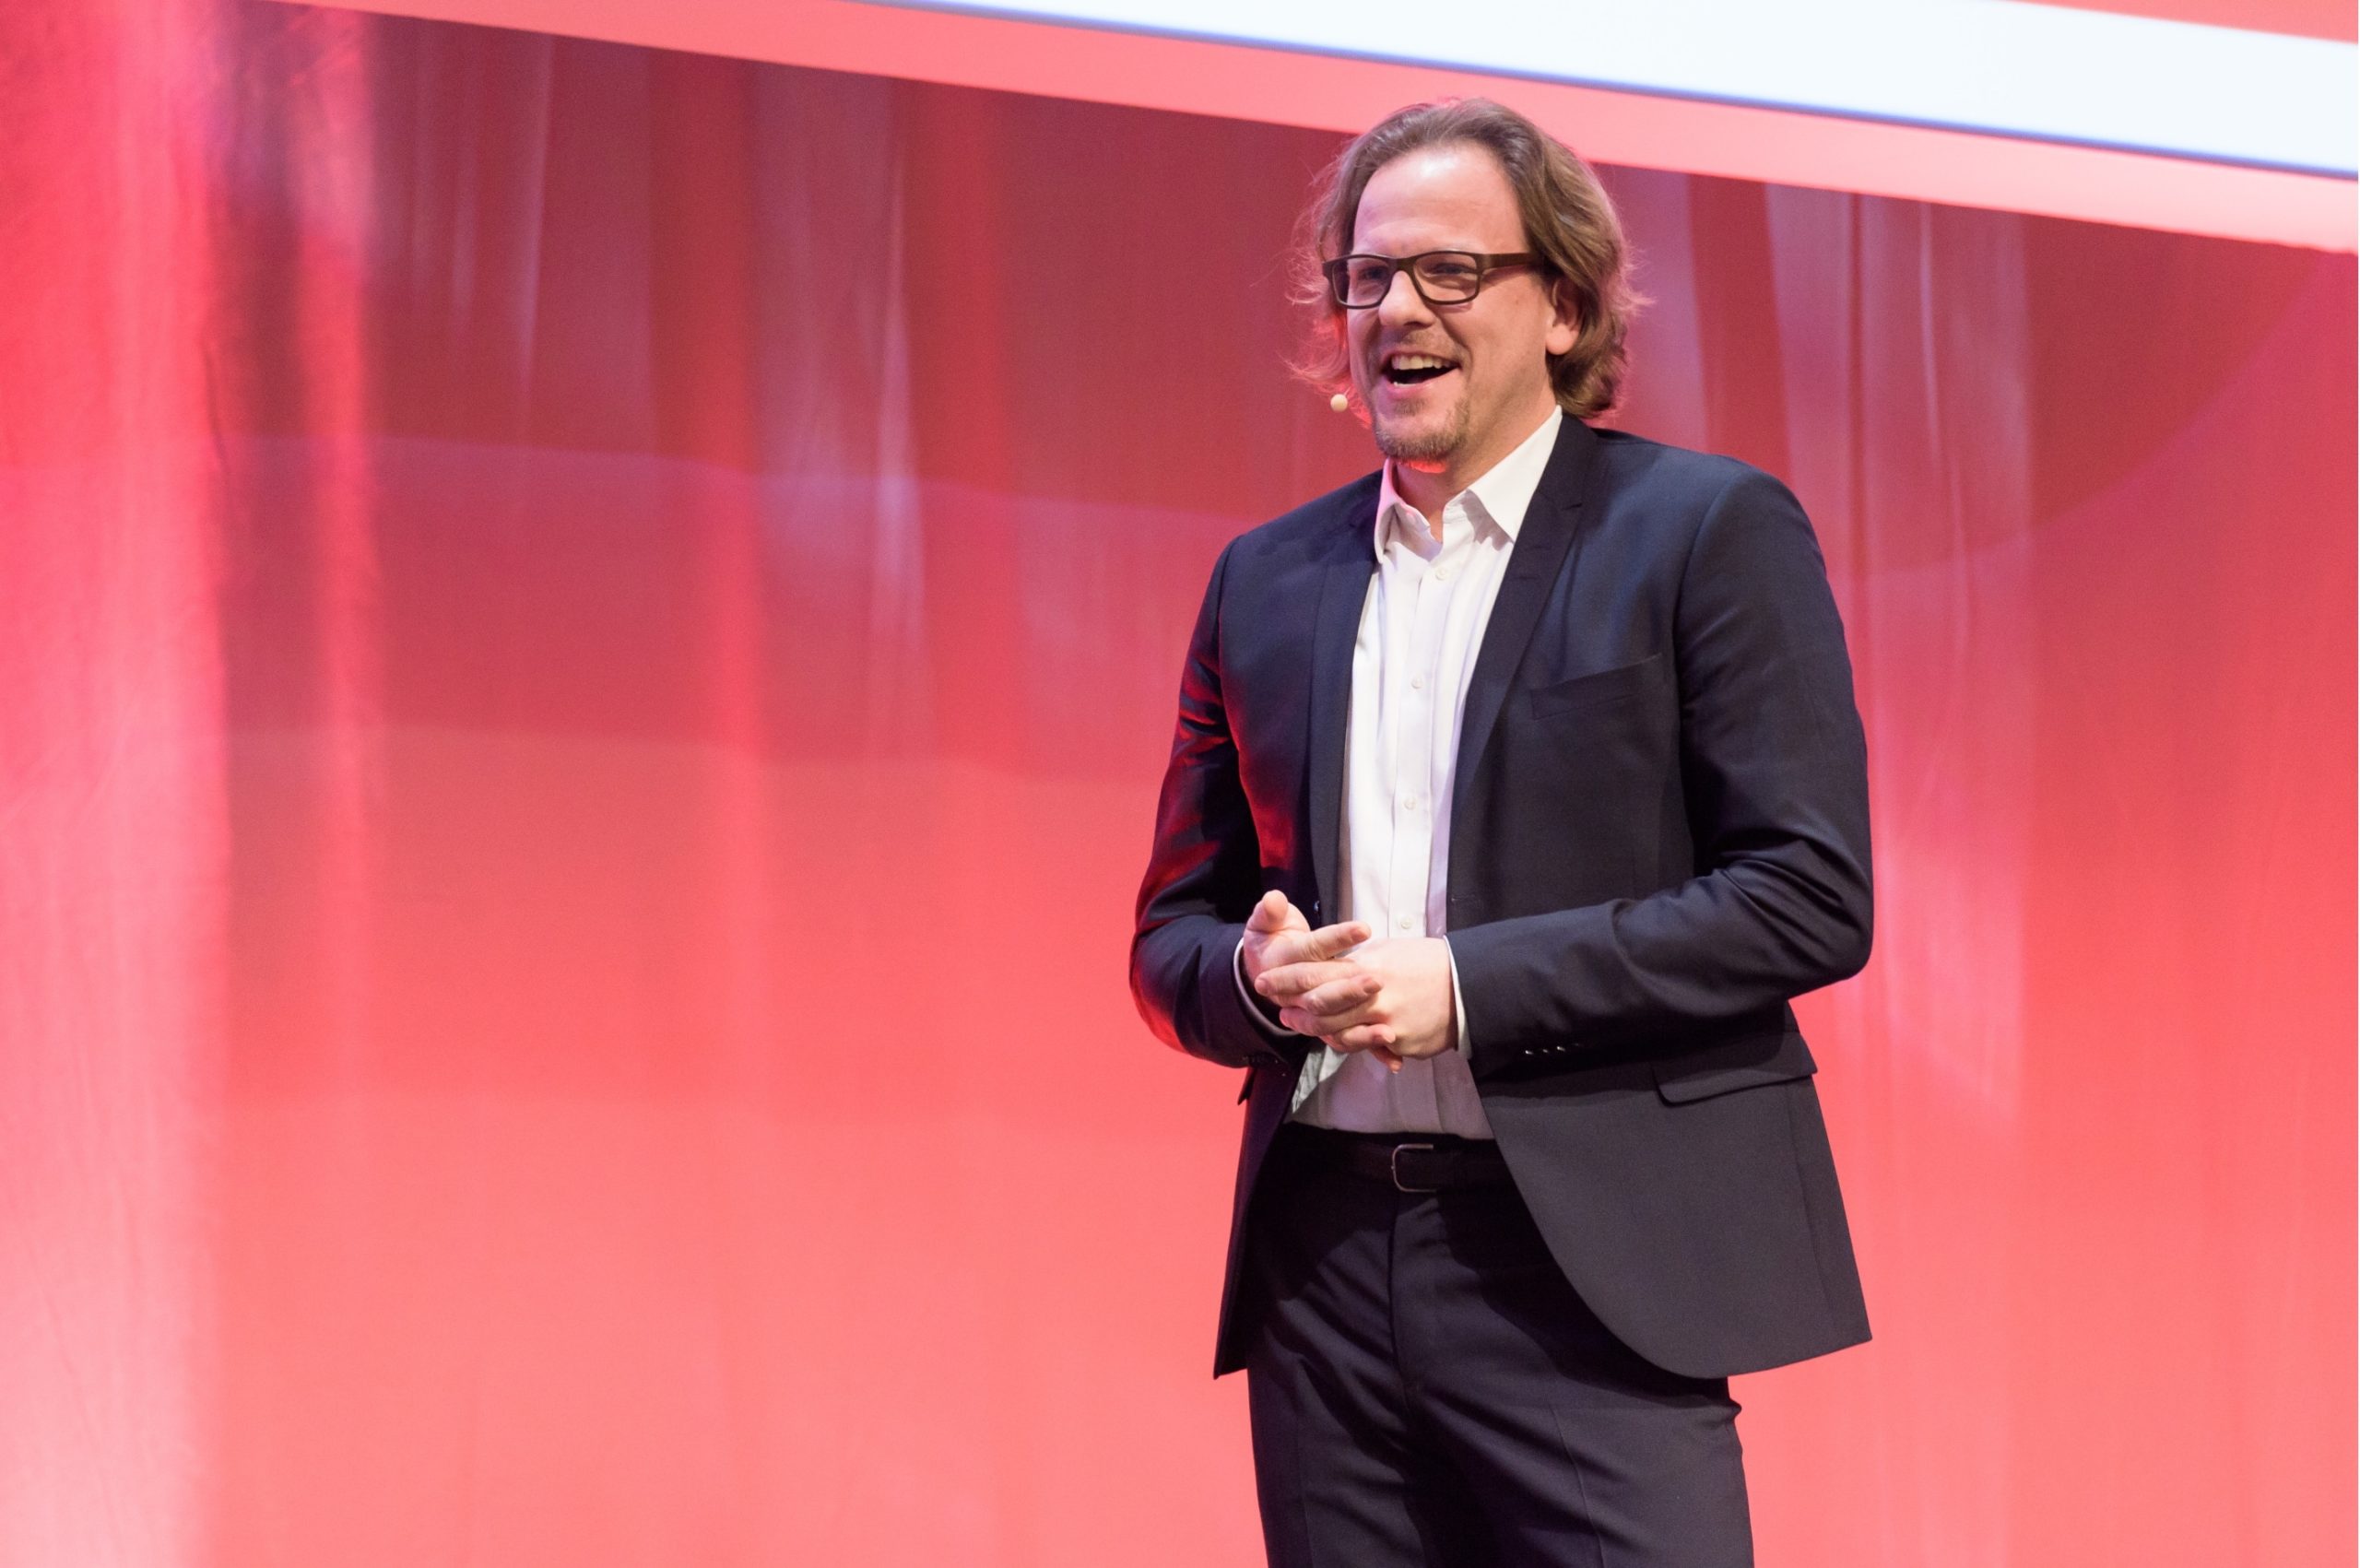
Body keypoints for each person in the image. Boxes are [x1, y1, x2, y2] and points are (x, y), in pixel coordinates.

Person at [1129, 98, 1874, 1567]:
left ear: (1566, 306)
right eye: (1367, 276)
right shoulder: (1264, 579)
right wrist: (1255, 983)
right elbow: (1170, 935)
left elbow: (1806, 893)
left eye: (1451, 272)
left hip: (1585, 1266)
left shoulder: (1703, 529)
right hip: (1325, 1273)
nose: (1398, 309)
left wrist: (1466, 986)